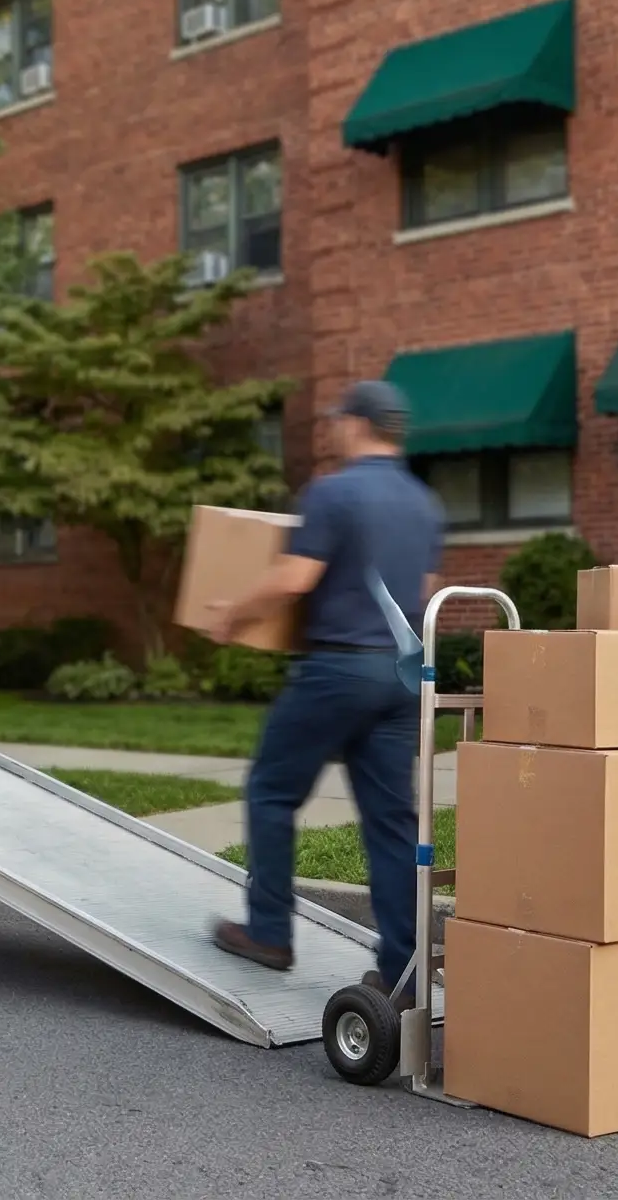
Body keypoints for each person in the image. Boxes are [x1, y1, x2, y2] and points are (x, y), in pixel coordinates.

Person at [202, 380, 444, 997]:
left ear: (359, 424)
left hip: (339, 669)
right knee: (391, 823)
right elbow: (423, 593)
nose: (333, 428)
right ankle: (403, 971)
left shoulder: (335, 493)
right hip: (401, 672)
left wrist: (233, 614)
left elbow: (294, 578)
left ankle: (269, 932)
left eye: (339, 419)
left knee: (271, 789)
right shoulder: (424, 504)